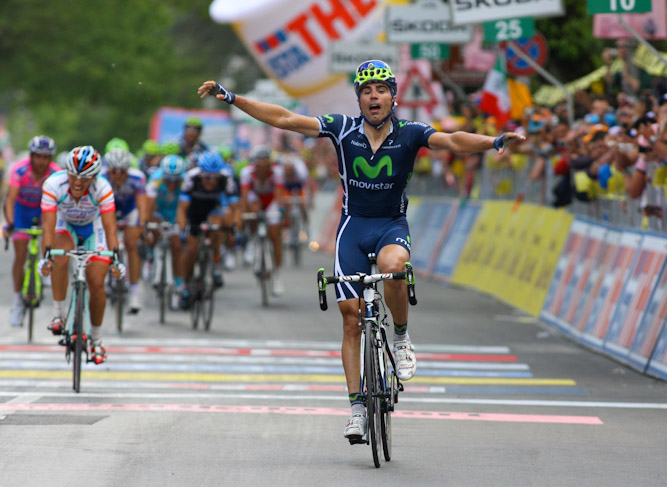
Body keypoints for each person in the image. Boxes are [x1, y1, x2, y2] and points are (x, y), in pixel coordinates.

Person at [198, 59, 523, 441]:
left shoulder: (410, 132)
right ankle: (356, 409)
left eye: (381, 90)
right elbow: (286, 119)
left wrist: (492, 141)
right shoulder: (342, 129)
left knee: (395, 268)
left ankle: (400, 338)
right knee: (351, 319)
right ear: (359, 98)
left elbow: (452, 141)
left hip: (390, 227)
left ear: (392, 96)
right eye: (366, 91)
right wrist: (232, 98)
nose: (374, 96)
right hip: (353, 230)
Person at [38, 146, 124, 364]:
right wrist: (45, 258)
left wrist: (116, 260)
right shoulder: (53, 185)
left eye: (84, 178)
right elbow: (47, 227)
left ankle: (96, 339)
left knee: (96, 282)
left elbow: (110, 227)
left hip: (94, 228)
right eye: (73, 175)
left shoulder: (103, 188)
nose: (77, 182)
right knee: (59, 255)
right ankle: (58, 314)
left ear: (94, 176)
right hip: (65, 224)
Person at [2, 136, 61, 327]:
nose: (42, 161)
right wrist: (10, 223)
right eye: (38, 157)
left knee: (49, 239)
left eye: (46, 157)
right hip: (22, 211)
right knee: (20, 253)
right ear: (31, 156)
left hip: (44, 210)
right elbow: (10, 199)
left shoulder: (56, 173)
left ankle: (45, 269)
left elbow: (61, 202)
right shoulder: (19, 170)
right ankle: (18, 301)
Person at [175, 150, 238, 308]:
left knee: (218, 223)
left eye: (214, 177)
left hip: (213, 210)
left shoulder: (226, 178)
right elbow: (182, 209)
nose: (211, 181)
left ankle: (216, 262)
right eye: (207, 177)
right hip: (194, 212)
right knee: (191, 248)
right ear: (201, 173)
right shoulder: (192, 177)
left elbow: (235, 208)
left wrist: (233, 230)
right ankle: (184, 284)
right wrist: (183, 230)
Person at [101, 148, 147, 313]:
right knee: (105, 243)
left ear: (128, 169)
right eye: (114, 171)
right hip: (109, 211)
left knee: (131, 244)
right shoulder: (100, 177)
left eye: (122, 171)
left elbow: (142, 203)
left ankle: (134, 291)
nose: (118, 175)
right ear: (108, 168)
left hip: (129, 211)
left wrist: (143, 221)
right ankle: (106, 279)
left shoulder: (137, 177)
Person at [239, 146, 286, 295]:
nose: (261, 167)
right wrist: (243, 215)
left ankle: (277, 275)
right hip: (255, 198)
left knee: (275, 236)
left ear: (270, 163)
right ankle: (253, 241)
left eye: (264, 162)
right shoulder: (246, 172)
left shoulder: (277, 171)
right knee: (252, 210)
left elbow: (279, 196)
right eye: (258, 163)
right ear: (254, 164)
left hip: (271, 199)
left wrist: (280, 213)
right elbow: (245, 196)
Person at [145, 154, 186, 306]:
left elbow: (184, 207)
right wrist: (148, 226)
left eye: (176, 179)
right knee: (153, 229)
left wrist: (182, 228)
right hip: (158, 211)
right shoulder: (156, 180)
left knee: (177, 245)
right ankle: (150, 256)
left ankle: (179, 283)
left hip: (175, 212)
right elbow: (149, 205)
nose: (172, 183)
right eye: (169, 179)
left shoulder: (185, 181)